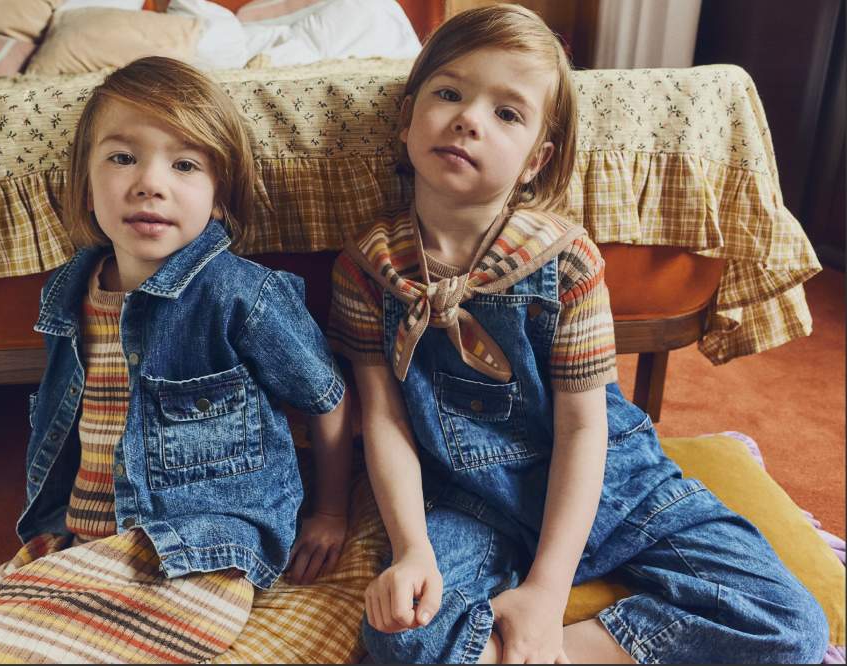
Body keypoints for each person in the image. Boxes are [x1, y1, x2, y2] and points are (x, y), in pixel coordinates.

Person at [327, 5, 828, 664]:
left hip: (613, 481)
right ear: (408, 116)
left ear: (537, 159)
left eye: (507, 113)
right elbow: (385, 419)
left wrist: (546, 594)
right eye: (449, 93)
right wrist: (414, 547)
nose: (469, 118)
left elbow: (584, 428)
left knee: (790, 622)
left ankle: (556, 653)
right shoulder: (366, 268)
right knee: (401, 637)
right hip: (470, 500)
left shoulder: (566, 261)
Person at [0, 56, 351, 664]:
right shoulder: (69, 291)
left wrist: (328, 510)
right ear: (87, 187)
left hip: (197, 551)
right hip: (81, 538)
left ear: (220, 199)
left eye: (185, 164)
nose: (149, 183)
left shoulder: (241, 296)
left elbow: (328, 398)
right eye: (122, 158)